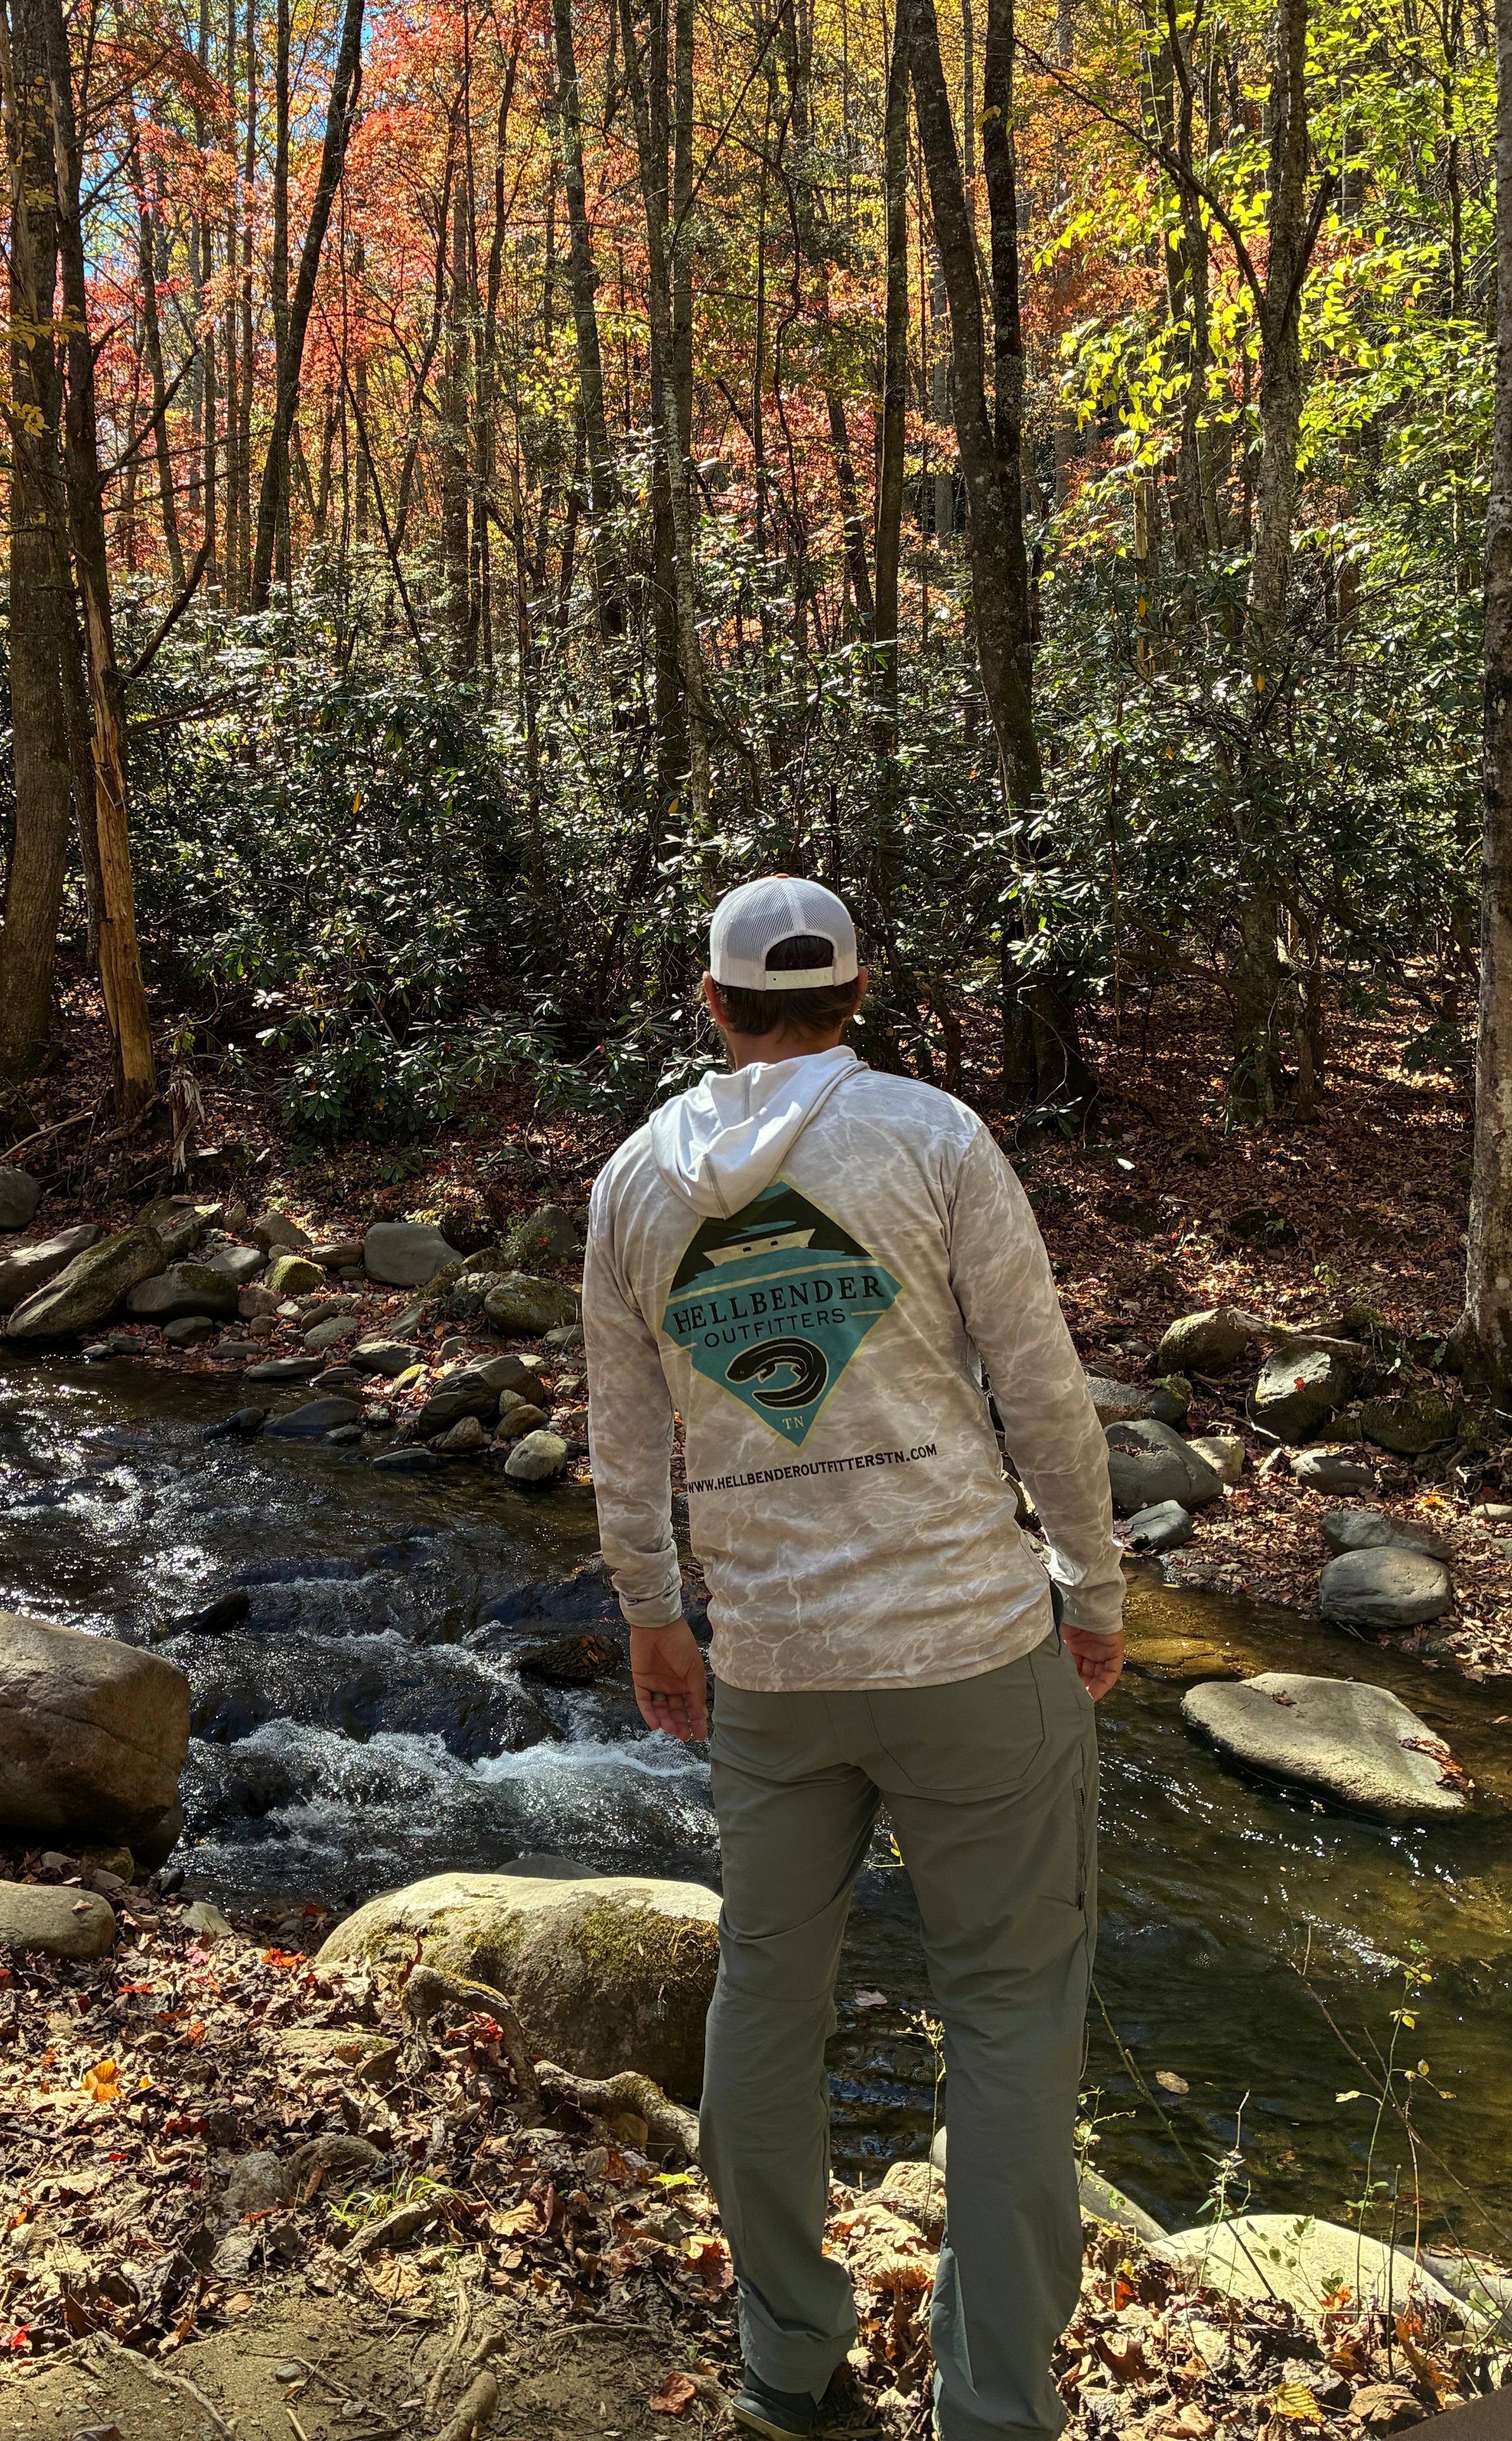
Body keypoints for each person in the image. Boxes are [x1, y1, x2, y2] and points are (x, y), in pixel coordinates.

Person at [582, 874, 1123, 2441]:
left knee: (767, 1992)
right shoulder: (936, 1139)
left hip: (772, 1665)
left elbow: (627, 1446)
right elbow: (1044, 1390)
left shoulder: (636, 1183)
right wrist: (1092, 1585)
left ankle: (787, 2361)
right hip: (971, 1644)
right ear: (859, 991)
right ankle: (996, 2411)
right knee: (1014, 2012)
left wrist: (653, 1616)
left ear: (711, 1000)